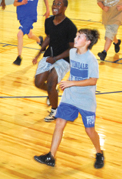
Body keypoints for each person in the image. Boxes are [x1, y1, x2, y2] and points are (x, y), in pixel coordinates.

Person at [34, 28, 104, 169]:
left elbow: (93, 81)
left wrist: (72, 82)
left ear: (87, 42)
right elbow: (72, 69)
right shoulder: (72, 53)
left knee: (89, 130)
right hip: (70, 97)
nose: (76, 38)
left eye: (79, 37)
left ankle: (99, 153)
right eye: (76, 36)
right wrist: (64, 80)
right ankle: (51, 156)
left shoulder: (91, 60)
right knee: (59, 122)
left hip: (86, 100)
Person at [33, 0, 77, 122]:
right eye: (54, 3)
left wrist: (56, 58)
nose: (55, 6)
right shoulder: (48, 21)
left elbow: (72, 49)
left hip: (64, 58)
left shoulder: (70, 26)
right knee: (38, 82)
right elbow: (49, 38)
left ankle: (55, 111)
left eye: (59, 4)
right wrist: (39, 53)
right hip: (50, 55)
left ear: (64, 7)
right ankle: (53, 92)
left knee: (51, 82)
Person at [13, 0, 50, 65]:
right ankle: (39, 40)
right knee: (29, 35)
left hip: (30, 17)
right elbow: (15, 3)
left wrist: (48, 10)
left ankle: (19, 57)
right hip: (22, 17)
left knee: (19, 34)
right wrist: (22, 3)